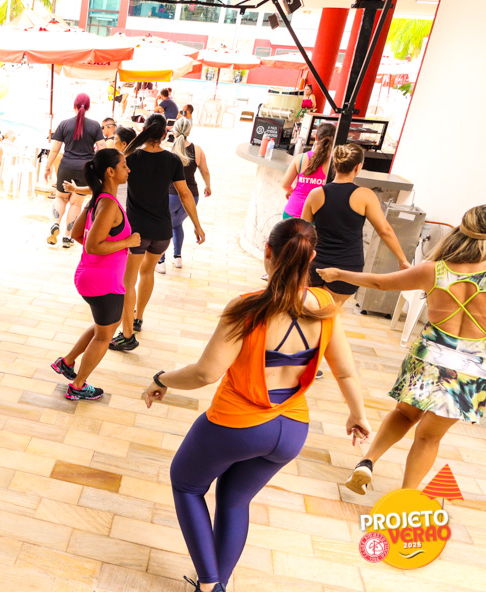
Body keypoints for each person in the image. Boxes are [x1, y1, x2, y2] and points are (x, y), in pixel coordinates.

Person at [143, 218, 371, 592]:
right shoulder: (325, 305)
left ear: (268, 251)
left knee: (186, 484)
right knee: (235, 500)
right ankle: (215, 586)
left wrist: (160, 379)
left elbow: (204, 373)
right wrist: (357, 415)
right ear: (312, 256)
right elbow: (346, 372)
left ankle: (209, 583)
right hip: (291, 431)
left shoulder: (247, 307)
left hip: (237, 425)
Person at [318, 205, 486, 495]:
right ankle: (406, 495)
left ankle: (368, 461)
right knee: (428, 437)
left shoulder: (435, 270)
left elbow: (379, 283)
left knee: (405, 414)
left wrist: (338, 273)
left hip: (428, 355)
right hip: (470, 369)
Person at [109, 114, 205, 351]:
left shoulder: (131, 157)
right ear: (164, 134)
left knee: (128, 282)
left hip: (136, 232)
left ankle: (127, 334)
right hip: (162, 232)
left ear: (144, 130)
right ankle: (138, 317)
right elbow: (185, 194)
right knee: (147, 272)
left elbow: (110, 183)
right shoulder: (172, 160)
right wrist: (197, 224)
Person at [52, 149, 140, 400]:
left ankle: (67, 362)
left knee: (104, 327)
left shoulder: (98, 199)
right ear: (110, 172)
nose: (128, 170)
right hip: (104, 282)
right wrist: (127, 242)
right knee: (105, 336)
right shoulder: (109, 204)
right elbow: (92, 245)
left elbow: (77, 234)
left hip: (89, 276)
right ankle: (78, 386)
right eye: (124, 166)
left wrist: (107, 248)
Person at [302, 143, 410, 307]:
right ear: (358, 167)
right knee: (330, 313)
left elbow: (303, 232)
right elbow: (385, 231)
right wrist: (402, 260)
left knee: (308, 311)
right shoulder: (365, 195)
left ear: (335, 164)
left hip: (315, 265)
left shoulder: (315, 194)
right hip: (347, 269)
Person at [43, 94, 105, 248]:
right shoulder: (95, 126)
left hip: (66, 167)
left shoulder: (64, 124)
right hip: (86, 170)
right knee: (76, 204)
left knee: (61, 198)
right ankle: (67, 237)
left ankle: (56, 223)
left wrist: (47, 167)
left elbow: (55, 149)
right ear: (88, 107)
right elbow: (103, 148)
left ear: (74, 106)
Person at [157, 116, 212, 273]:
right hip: (192, 197)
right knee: (176, 224)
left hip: (171, 195)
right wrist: (208, 186)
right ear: (189, 131)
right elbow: (205, 171)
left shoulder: (167, 148)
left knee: (164, 227)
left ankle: (160, 261)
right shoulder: (197, 149)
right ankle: (177, 258)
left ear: (174, 131)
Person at [282, 122, 335, 219]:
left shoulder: (300, 158)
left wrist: (291, 191)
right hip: (315, 215)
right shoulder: (334, 163)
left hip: (292, 211)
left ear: (316, 137)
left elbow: (285, 184)